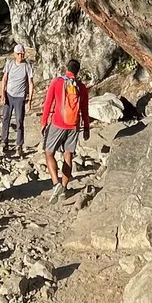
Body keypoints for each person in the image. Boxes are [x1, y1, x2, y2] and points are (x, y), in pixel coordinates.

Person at [39, 55, 90, 198]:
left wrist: (44, 122)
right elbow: (84, 109)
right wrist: (86, 127)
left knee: (49, 153)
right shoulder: (81, 87)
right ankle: (64, 189)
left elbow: (48, 103)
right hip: (74, 125)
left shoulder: (57, 82)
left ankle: (56, 184)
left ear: (66, 68)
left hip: (58, 123)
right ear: (77, 72)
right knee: (68, 156)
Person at [0, 41, 35, 159]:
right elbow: (4, 79)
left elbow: (30, 82)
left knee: (19, 121)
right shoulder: (9, 64)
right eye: (19, 54)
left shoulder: (27, 66)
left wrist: (29, 100)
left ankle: (19, 144)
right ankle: (4, 141)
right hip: (9, 95)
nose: (21, 56)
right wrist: (2, 94)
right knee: (6, 118)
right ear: (15, 54)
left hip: (20, 97)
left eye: (22, 54)